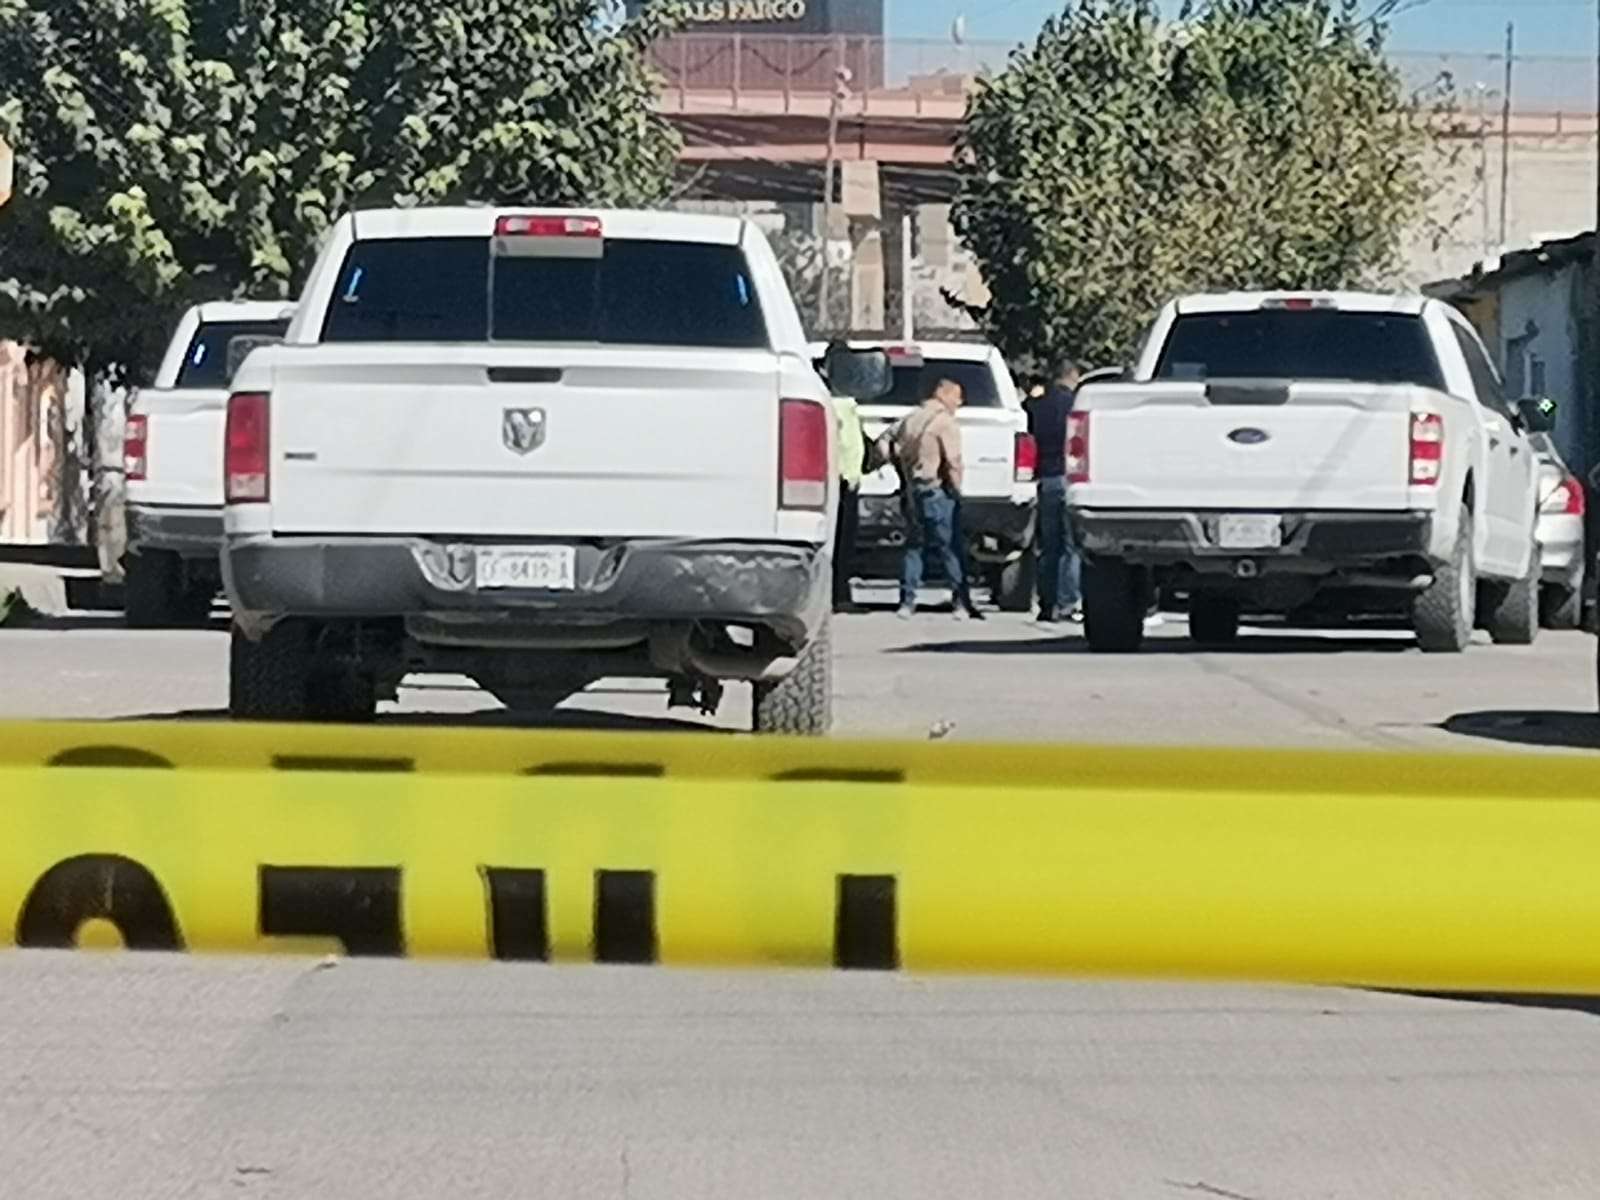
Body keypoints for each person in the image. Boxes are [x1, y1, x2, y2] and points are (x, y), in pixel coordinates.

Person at [886, 377, 981, 621]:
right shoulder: (945, 423)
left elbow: (886, 445)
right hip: (937, 490)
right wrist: (958, 492)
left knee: (914, 546)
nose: (959, 403)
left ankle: (907, 602)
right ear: (944, 394)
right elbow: (953, 461)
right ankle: (960, 603)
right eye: (957, 397)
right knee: (950, 547)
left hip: (912, 489)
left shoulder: (911, 418)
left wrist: (901, 471)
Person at [1026, 357, 1084, 624]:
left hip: (1046, 478)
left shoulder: (1037, 405)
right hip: (1070, 477)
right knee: (1072, 547)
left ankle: (1046, 604)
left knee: (1049, 547)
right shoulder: (1076, 406)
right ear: (1072, 376)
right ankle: (1068, 602)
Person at [830, 371, 867, 614]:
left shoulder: (849, 405)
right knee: (840, 543)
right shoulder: (838, 405)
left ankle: (841, 594)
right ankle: (839, 596)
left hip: (849, 480)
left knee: (846, 543)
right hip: (840, 481)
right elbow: (838, 442)